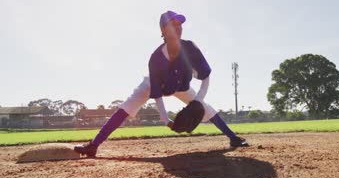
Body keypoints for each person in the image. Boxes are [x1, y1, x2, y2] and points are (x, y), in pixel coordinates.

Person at [74, 10, 248, 157]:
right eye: (173, 24)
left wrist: (197, 100)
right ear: (163, 30)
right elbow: (156, 93)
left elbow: (205, 76)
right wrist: (166, 120)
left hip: (181, 86)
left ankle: (233, 137)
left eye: (180, 24)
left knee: (205, 107)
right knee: (126, 107)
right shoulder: (156, 58)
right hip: (154, 85)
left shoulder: (190, 48)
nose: (178, 27)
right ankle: (93, 145)